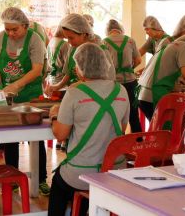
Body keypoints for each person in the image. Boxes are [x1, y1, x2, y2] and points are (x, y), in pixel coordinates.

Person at [48, 42, 129, 216]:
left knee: (58, 184)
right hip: (115, 171)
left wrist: (54, 114)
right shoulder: (121, 90)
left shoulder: (74, 93)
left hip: (82, 172)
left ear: (79, 68)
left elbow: (60, 135)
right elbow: (120, 130)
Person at [0, 7, 50, 195]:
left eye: (14, 30)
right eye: (7, 29)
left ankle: (41, 179)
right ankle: (12, 178)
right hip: (6, 92)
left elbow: (37, 69)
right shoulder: (1, 37)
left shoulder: (35, 40)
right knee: (10, 136)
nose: (10, 33)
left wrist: (18, 85)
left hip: (29, 94)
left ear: (25, 26)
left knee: (36, 137)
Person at [137, 31, 185, 121]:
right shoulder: (184, 47)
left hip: (143, 95)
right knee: (166, 130)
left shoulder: (171, 45)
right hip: (153, 94)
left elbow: (163, 75)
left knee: (158, 129)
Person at [46, 13, 115, 94]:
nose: (68, 42)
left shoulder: (99, 51)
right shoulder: (73, 48)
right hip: (76, 93)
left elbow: (107, 79)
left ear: (84, 34)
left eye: (71, 38)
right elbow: (69, 72)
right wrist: (58, 86)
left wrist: (80, 84)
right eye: (67, 38)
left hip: (95, 96)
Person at [103, 19, 142, 132]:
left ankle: (116, 142)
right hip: (131, 82)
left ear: (108, 30)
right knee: (133, 115)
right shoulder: (130, 41)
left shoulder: (104, 42)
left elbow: (102, 64)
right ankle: (138, 142)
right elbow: (138, 60)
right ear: (120, 29)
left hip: (113, 84)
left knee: (114, 114)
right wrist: (129, 69)